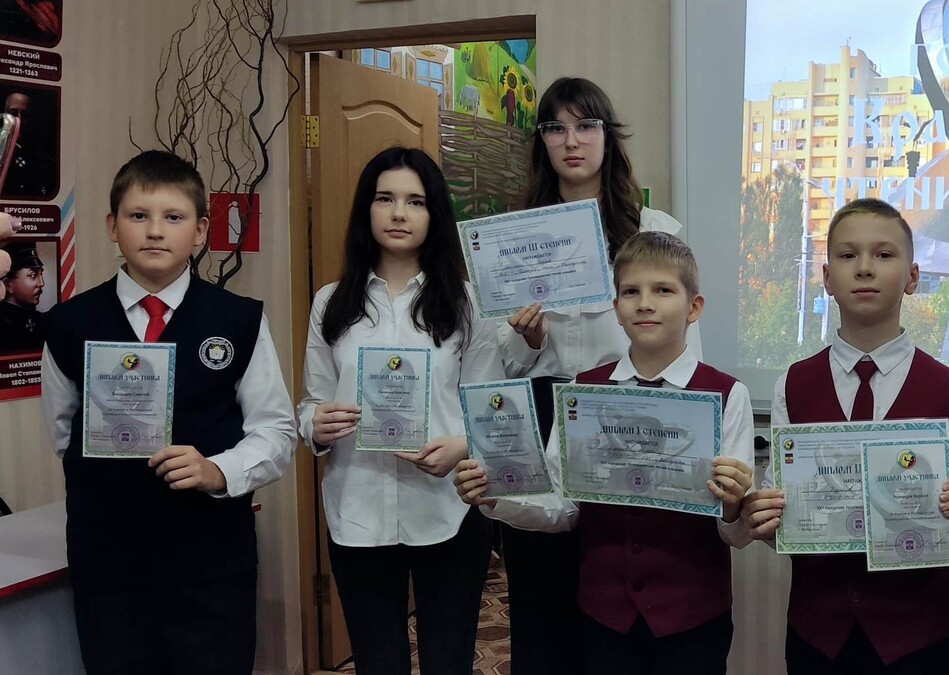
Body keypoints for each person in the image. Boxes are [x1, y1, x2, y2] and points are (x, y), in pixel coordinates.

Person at [39, 149, 297, 674]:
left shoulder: (238, 320)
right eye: (138, 215)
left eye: (173, 217)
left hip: (211, 563)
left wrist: (218, 469)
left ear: (200, 231)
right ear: (112, 226)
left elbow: (276, 430)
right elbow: (64, 432)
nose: (155, 231)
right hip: (109, 564)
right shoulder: (69, 324)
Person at [455, 230, 755, 674]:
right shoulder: (583, 391)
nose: (645, 303)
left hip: (693, 617)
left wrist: (733, 507)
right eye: (631, 292)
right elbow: (563, 507)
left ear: (694, 307)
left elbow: (736, 534)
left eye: (663, 290)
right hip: (604, 616)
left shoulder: (729, 395)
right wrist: (497, 495)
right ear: (616, 307)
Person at [739, 198, 949, 675]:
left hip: (919, 640)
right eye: (847, 255)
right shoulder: (792, 385)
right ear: (826, 277)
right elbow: (783, 521)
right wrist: (765, 519)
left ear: (913, 277)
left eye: (883, 254)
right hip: (819, 637)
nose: (864, 267)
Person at [495, 75, 699, 674]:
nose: (571, 140)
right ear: (542, 141)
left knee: (620, 599)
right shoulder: (515, 236)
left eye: (586, 126)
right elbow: (496, 362)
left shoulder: (655, 228)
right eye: (555, 128)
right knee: (540, 605)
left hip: (629, 416)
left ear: (608, 137)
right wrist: (527, 341)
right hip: (540, 413)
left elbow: (688, 344)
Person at [298, 147, 529, 675]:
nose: (399, 213)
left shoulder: (467, 304)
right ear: (366, 209)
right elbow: (312, 404)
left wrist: (460, 447)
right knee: (378, 663)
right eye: (385, 199)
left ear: (434, 213)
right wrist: (317, 425)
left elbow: (490, 409)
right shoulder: (331, 302)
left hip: (447, 506)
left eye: (415, 201)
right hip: (357, 509)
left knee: (449, 661)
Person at [0, 239, 44, 350]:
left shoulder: (40, 320)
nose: (41, 283)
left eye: (41, 274)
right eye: (32, 275)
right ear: (8, 284)